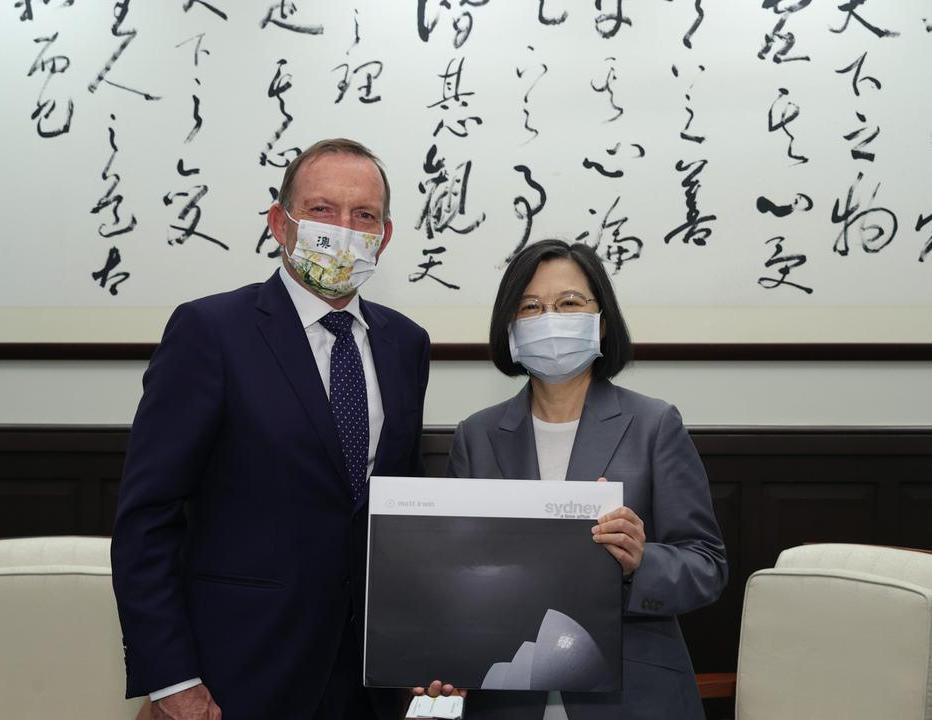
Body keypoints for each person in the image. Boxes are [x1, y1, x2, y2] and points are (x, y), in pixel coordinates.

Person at [112, 138, 430, 720]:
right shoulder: (210, 332)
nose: (344, 229)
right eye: (321, 210)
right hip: (238, 675)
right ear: (279, 224)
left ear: (385, 237)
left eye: (364, 216)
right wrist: (172, 679)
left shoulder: (405, 343)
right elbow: (146, 518)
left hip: (370, 678)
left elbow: (397, 515)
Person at [438, 239, 726, 720]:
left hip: (631, 695)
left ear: (602, 321)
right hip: (507, 689)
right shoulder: (478, 435)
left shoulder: (654, 425)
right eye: (530, 307)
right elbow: (454, 575)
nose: (550, 318)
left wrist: (639, 562)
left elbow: (707, 565)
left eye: (569, 303)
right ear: (509, 329)